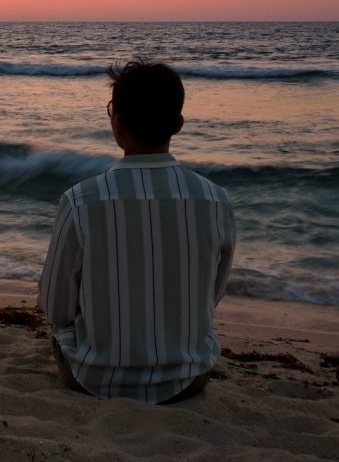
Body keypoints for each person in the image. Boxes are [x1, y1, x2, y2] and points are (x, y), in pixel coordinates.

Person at [38, 61, 236, 405]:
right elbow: (210, 298)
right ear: (178, 124)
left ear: (117, 124)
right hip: (187, 379)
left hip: (93, 378)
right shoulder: (215, 200)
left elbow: (55, 308)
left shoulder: (81, 200)